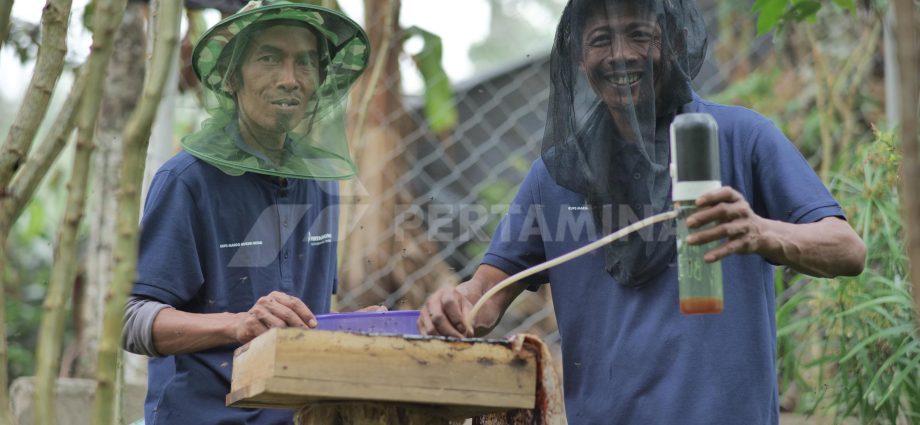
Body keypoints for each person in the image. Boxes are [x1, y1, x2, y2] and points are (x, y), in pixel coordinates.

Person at [418, 1, 866, 424]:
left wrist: (761, 232)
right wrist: (453, 306)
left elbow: (846, 249)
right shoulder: (555, 178)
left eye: (640, 34)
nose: (621, 55)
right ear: (577, 55)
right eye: (600, 40)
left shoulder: (741, 138)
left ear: (673, 40)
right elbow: (484, 298)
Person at [121, 1, 377, 424]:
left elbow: (300, 321)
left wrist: (349, 329)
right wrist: (236, 325)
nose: (290, 79)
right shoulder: (187, 181)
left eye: (306, 62)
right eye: (269, 58)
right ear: (231, 76)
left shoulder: (322, 183)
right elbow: (132, 322)